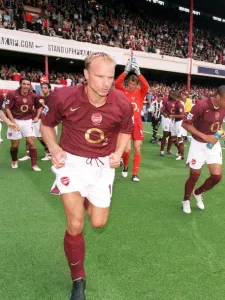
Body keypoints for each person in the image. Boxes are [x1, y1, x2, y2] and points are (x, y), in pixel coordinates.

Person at [40, 52, 133, 300]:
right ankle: (78, 279)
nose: (105, 82)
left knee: (98, 223)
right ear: (86, 75)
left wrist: (119, 152)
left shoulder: (122, 102)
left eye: (110, 77)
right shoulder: (63, 96)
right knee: (76, 224)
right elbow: (46, 124)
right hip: (71, 163)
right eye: (100, 76)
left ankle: (85, 196)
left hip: (103, 166)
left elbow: (126, 130)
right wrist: (54, 147)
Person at [181, 85, 225, 214]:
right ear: (218, 96)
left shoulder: (223, 108)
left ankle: (197, 193)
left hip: (213, 144)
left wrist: (221, 131)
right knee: (195, 175)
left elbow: (217, 124)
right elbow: (185, 124)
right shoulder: (201, 106)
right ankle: (186, 200)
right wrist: (204, 136)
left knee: (217, 177)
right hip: (198, 144)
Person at [115, 59, 149, 182]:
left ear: (137, 85)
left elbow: (146, 86)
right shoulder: (123, 91)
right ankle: (125, 165)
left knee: (137, 148)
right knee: (126, 149)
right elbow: (117, 83)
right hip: (126, 123)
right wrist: (125, 71)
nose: (132, 86)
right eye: (130, 84)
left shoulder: (141, 92)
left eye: (134, 84)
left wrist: (139, 73)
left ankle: (135, 173)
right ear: (127, 84)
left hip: (137, 124)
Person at [5, 77, 42, 171]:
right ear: (20, 84)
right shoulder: (12, 94)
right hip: (15, 120)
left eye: (28, 84)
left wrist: (37, 116)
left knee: (31, 143)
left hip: (28, 121)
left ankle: (34, 164)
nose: (26, 86)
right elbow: (7, 108)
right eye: (24, 84)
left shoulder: (34, 96)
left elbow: (39, 107)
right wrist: (12, 122)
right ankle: (14, 161)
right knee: (15, 145)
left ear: (30, 85)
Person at [19, 83, 53, 161]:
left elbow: (46, 109)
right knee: (28, 137)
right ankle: (28, 154)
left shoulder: (40, 98)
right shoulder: (29, 98)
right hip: (30, 119)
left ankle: (49, 153)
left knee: (40, 137)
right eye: (42, 88)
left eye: (45, 88)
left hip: (40, 120)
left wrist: (38, 116)